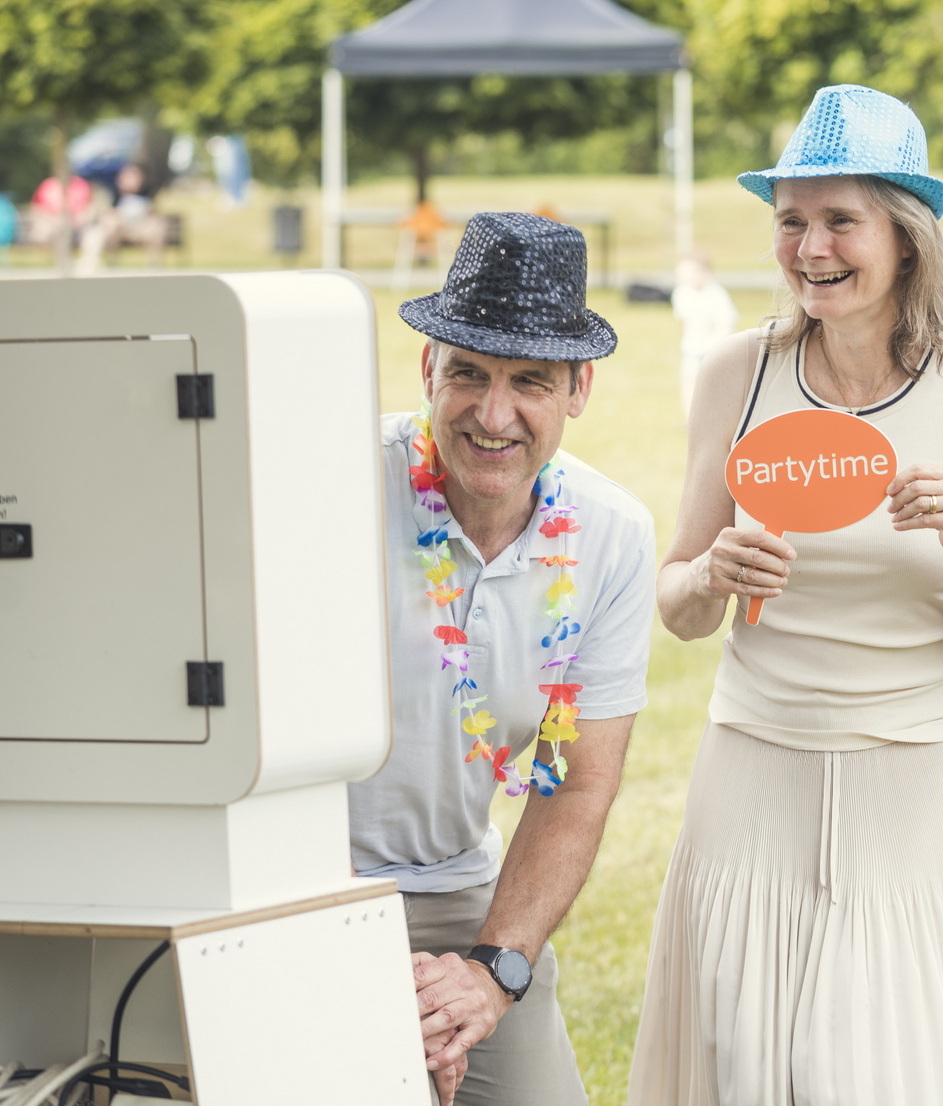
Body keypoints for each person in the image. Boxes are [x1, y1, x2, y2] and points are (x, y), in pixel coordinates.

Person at [628, 84, 943, 1105]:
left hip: (921, 786)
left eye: (840, 220)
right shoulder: (735, 374)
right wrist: (710, 573)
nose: (809, 247)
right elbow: (679, 603)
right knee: (749, 1062)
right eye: (791, 220)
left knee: (907, 1064)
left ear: (906, 236)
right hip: (753, 772)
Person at [349, 212, 657, 1106]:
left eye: (529, 382)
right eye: (468, 376)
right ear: (426, 372)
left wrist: (488, 973)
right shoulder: (332, 481)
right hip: (296, 890)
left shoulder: (610, 536)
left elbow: (573, 783)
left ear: (578, 389)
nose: (493, 415)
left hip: (461, 895)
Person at [670, 250, 740, 414]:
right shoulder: (681, 293)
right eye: (683, 274)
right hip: (692, 349)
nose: (687, 277)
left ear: (706, 273)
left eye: (692, 272)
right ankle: (690, 416)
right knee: (689, 382)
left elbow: (726, 324)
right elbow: (682, 321)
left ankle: (718, 416)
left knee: (714, 387)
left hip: (713, 350)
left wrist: (716, 348)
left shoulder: (716, 295)